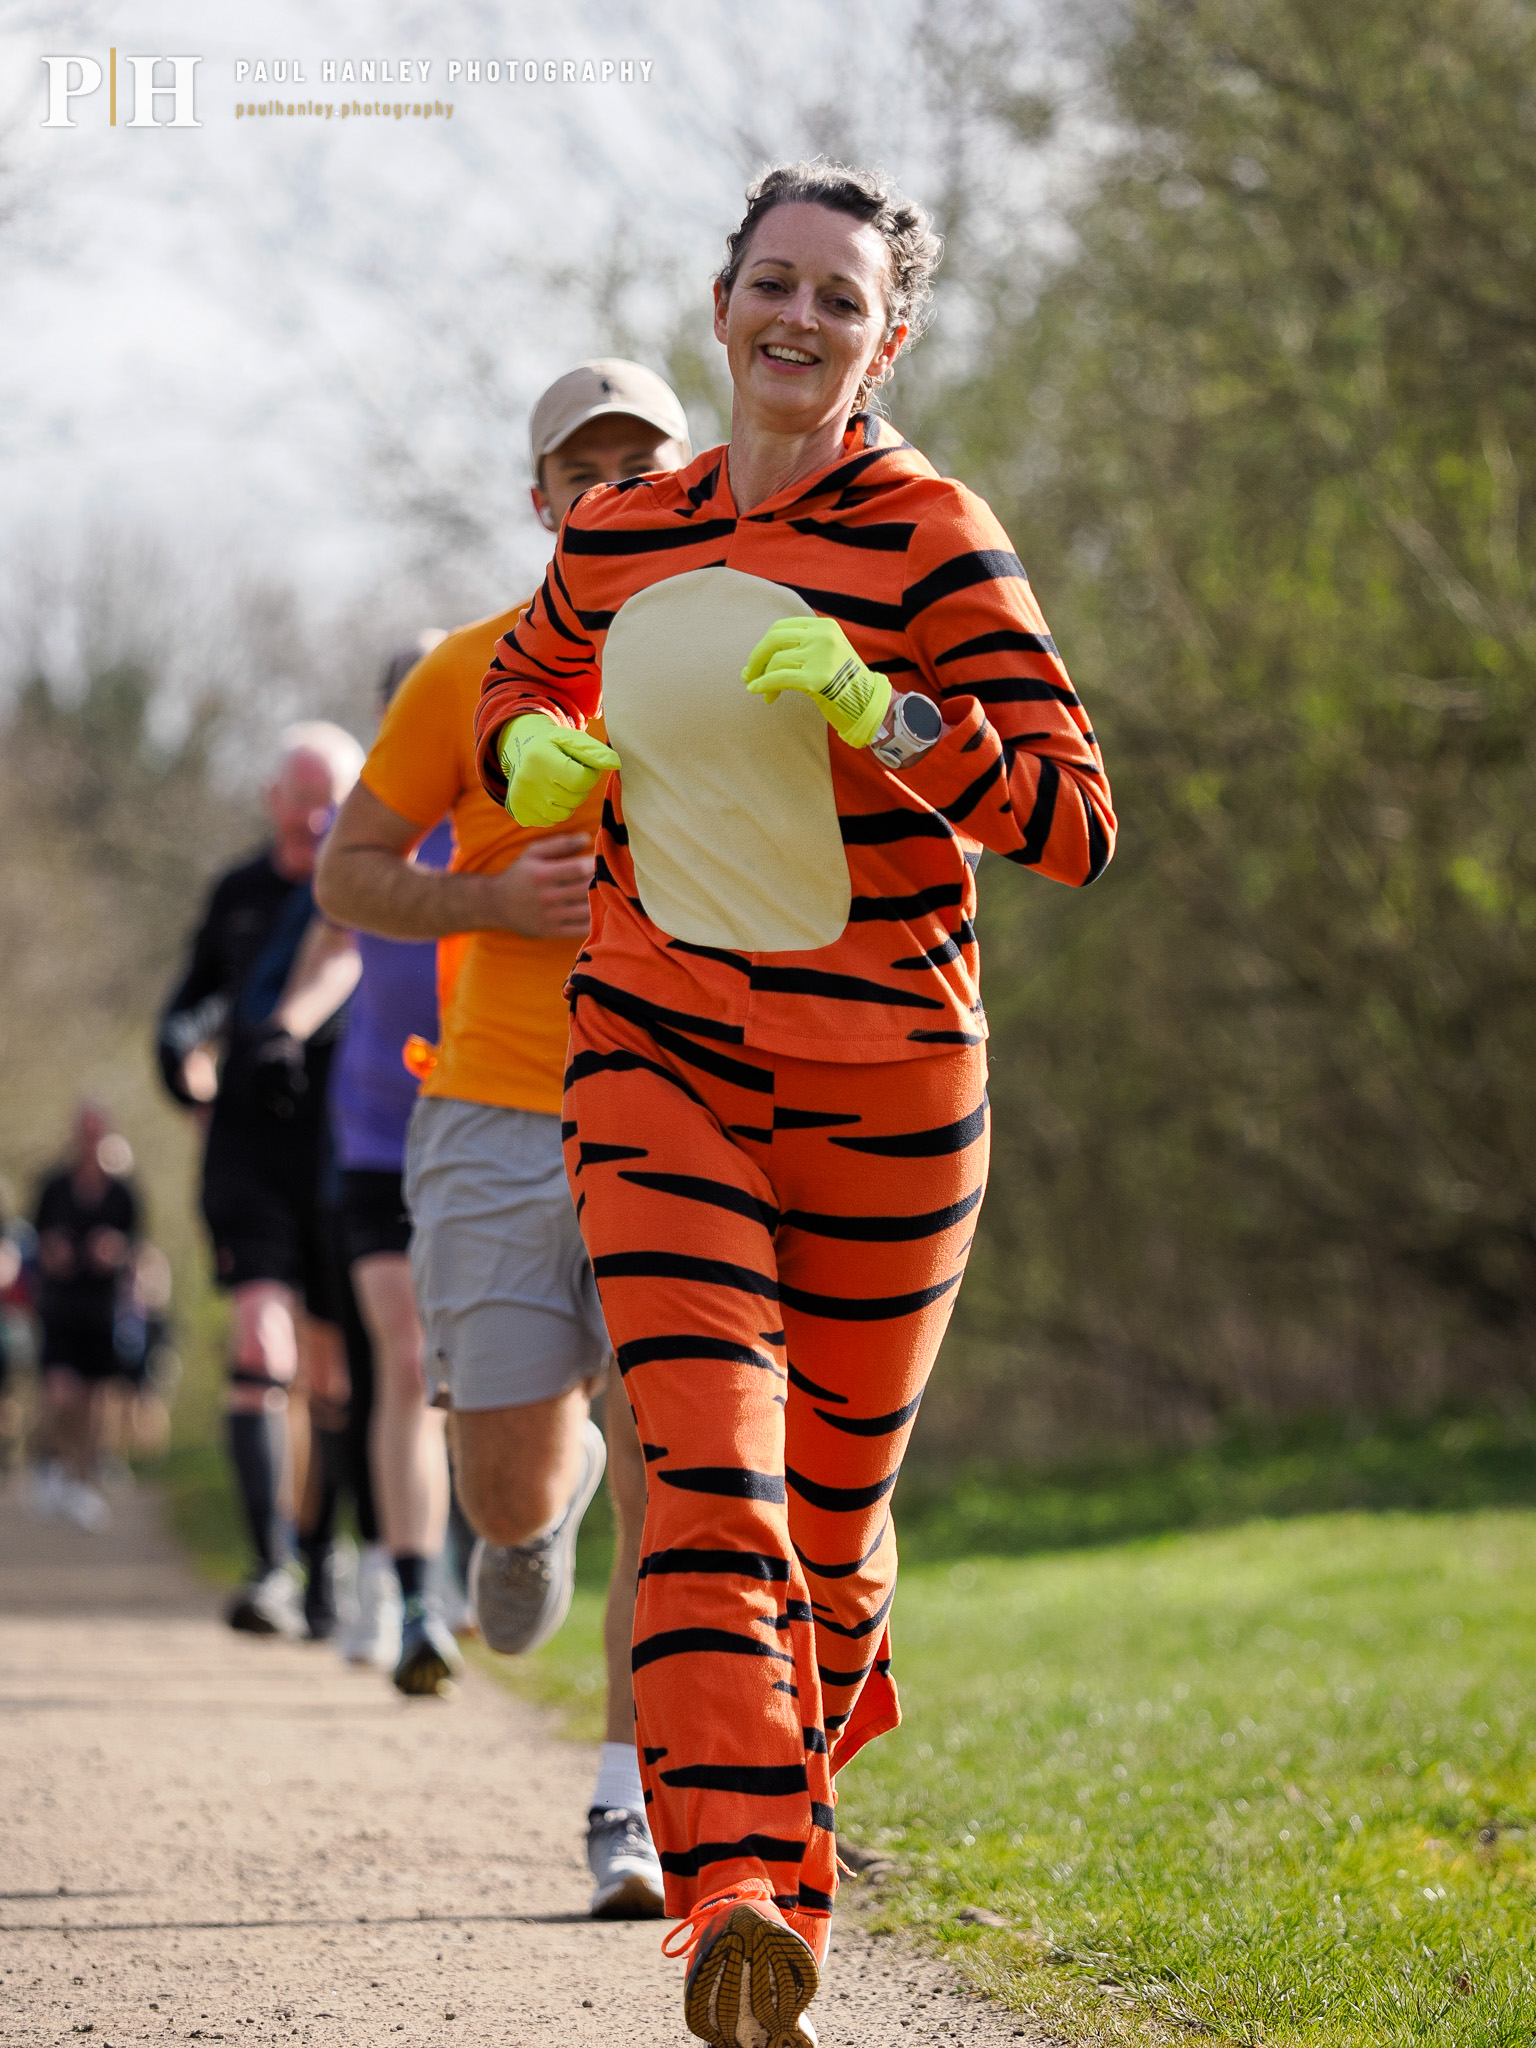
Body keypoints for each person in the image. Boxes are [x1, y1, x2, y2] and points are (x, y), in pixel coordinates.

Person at [474, 161, 1117, 2044]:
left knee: (823, 1524)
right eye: (774, 283)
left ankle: (799, 1731)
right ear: (721, 300)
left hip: (890, 1085)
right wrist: (532, 747)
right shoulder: (626, 534)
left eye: (841, 298)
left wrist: (890, 712)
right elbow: (528, 682)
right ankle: (745, 1890)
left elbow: (1074, 823)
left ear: (886, 337)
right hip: (655, 1052)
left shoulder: (932, 532)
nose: (799, 319)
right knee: (707, 1470)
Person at [315, 358, 690, 1918]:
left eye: (641, 465)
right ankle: (532, 1513)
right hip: (495, 1114)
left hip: (691, 1112)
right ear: (540, 499)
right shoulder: (467, 672)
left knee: (687, 1464)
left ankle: (632, 1811)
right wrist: (485, 897)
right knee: (509, 1499)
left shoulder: (732, 667)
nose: (610, 490)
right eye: (581, 469)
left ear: (685, 480)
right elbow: (347, 872)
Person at [157, 721, 364, 1637]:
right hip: (247, 1153)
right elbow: (194, 997)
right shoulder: (237, 893)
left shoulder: (372, 886)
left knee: (332, 1375)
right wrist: (178, 1052)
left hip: (343, 1149)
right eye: (306, 795)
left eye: (337, 798)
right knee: (261, 1348)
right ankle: (268, 1564)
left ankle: (320, 1562)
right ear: (271, 799)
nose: (320, 815)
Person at [325, 635, 462, 1696]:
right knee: (407, 1360)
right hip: (375, 1133)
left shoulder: (509, 802)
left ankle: (481, 1542)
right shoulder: (359, 821)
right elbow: (328, 953)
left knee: (492, 1371)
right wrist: (267, 1033)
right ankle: (414, 1591)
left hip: (488, 1118)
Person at [29, 1101, 141, 1531]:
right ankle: (50, 1466)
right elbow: (33, 1239)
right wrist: (50, 1252)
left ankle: (80, 1478)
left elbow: (135, 1247)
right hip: (59, 1303)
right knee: (59, 1391)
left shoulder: (122, 1193)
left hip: (101, 1307)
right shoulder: (53, 1187)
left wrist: (115, 1251)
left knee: (95, 1397)